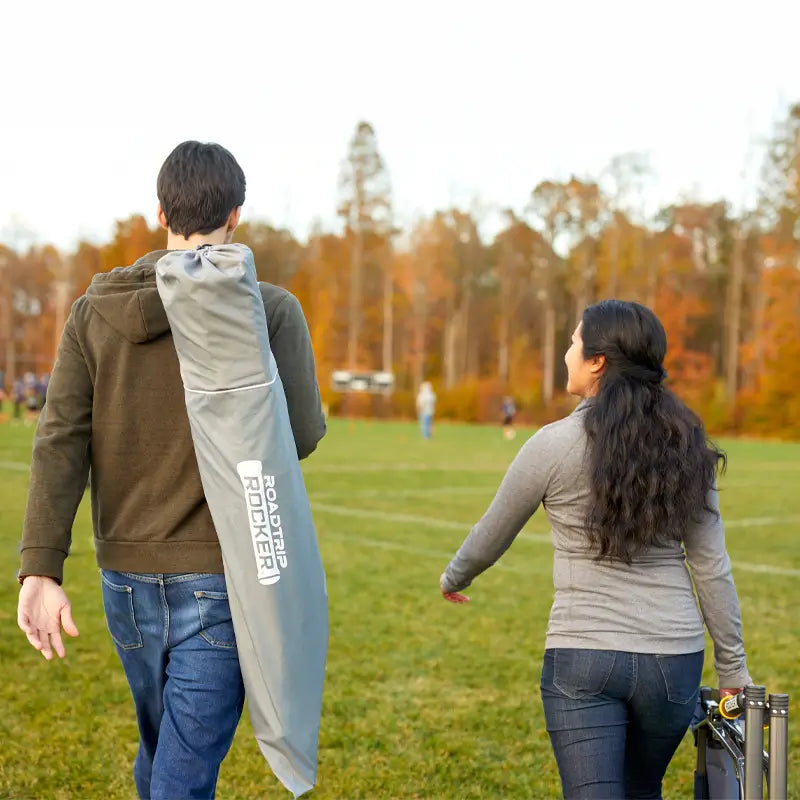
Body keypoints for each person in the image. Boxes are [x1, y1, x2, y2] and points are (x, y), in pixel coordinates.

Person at [16, 141, 327, 800]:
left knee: (165, 750)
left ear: (160, 211)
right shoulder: (268, 310)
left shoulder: (93, 312)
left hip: (122, 580)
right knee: (179, 768)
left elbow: (60, 441)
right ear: (236, 215)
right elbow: (300, 437)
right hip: (223, 578)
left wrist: (41, 567)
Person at [440, 299, 750, 799]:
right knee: (642, 790)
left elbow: (490, 535)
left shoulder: (553, 444)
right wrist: (733, 668)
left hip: (583, 659)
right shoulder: (688, 443)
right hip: (674, 664)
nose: (567, 353)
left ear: (597, 360)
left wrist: (454, 577)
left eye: (572, 342)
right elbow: (711, 567)